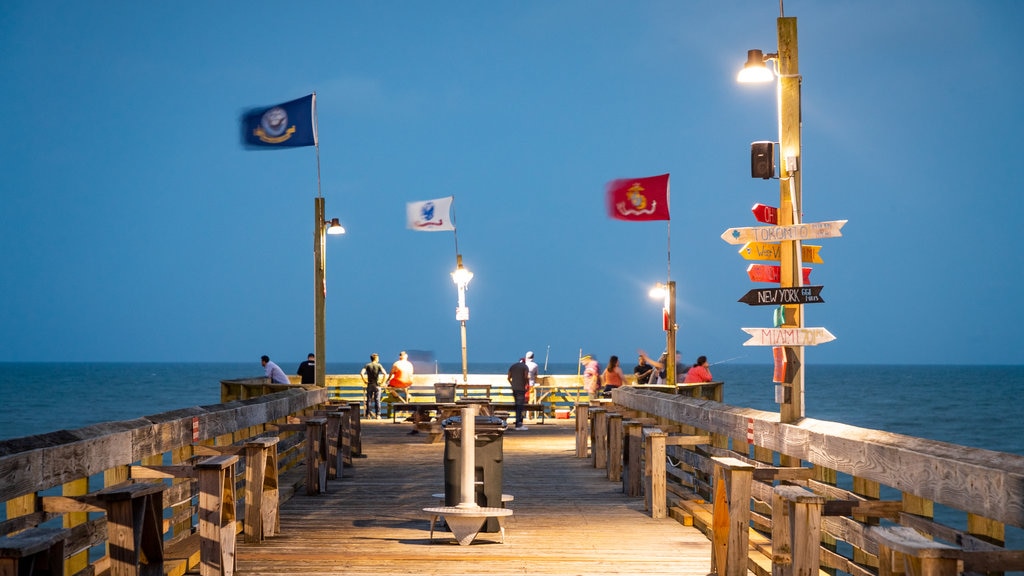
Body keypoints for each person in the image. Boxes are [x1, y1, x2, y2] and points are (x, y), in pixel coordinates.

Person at [387, 351, 419, 434]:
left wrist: (387, 380)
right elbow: (411, 374)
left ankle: (399, 398)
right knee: (404, 387)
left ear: (399, 357)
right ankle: (407, 395)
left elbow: (391, 373)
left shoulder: (396, 363)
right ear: (406, 357)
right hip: (408, 382)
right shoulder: (410, 364)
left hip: (398, 382)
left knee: (389, 387)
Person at [360, 353, 386, 418]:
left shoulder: (367, 365)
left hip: (370, 384)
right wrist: (382, 382)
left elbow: (361, 373)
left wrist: (364, 380)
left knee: (369, 400)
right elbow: (384, 373)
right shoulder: (379, 365)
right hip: (377, 384)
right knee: (377, 400)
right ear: (376, 358)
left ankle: (368, 414)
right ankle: (378, 415)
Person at [507, 357, 530, 431]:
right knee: (520, 407)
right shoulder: (525, 367)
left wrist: (512, 384)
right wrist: (527, 384)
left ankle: (518, 423)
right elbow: (526, 376)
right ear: (524, 362)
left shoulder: (513, 366)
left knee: (517, 406)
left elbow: (508, 377)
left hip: (514, 389)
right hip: (521, 389)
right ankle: (518, 424)